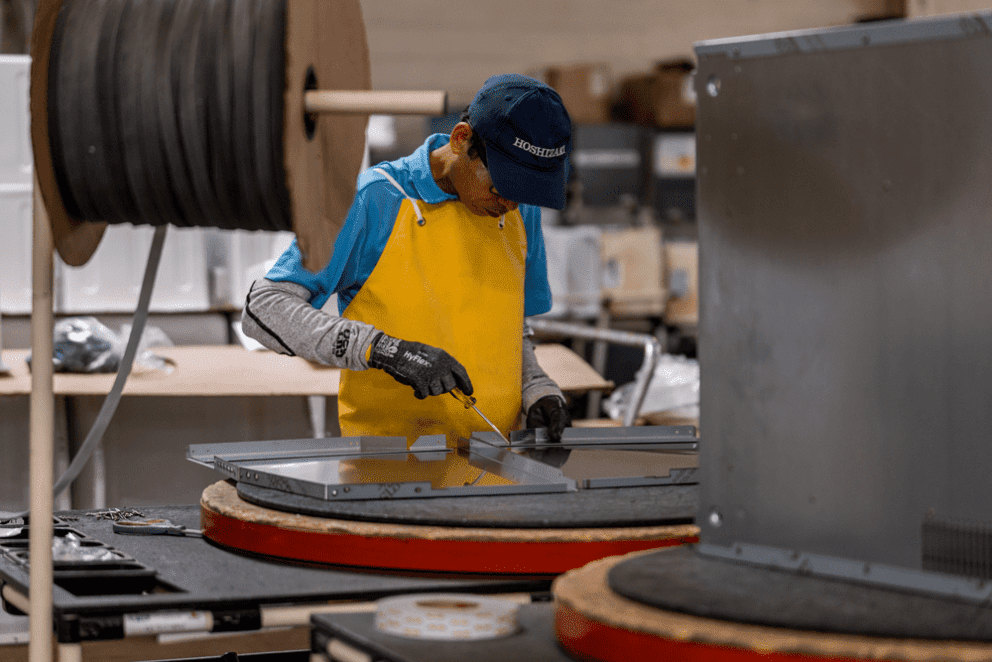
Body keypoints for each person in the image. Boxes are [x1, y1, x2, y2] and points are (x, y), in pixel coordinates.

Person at [242, 73, 572, 486]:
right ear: (461, 139)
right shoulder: (374, 200)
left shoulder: (519, 212)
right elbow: (265, 308)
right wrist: (384, 350)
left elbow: (509, 325)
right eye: (502, 184)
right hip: (389, 469)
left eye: (525, 191)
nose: (509, 202)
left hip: (495, 469)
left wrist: (536, 386)